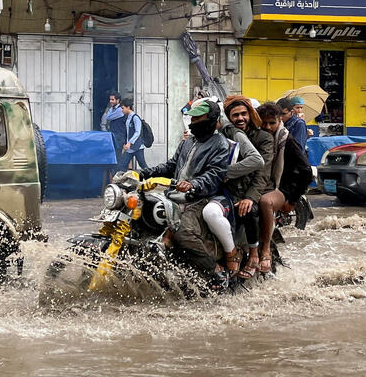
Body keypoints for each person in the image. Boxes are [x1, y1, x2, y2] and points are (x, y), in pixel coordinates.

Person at [136, 98, 232, 287]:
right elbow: (171, 166)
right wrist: (143, 173)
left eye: (198, 119)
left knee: (183, 234)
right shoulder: (188, 141)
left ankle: (215, 271)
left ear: (211, 120)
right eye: (192, 118)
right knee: (142, 218)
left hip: (199, 198)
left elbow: (214, 174)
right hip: (173, 195)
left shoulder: (220, 144)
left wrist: (193, 184)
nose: (193, 122)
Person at [215, 95, 274, 281]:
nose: (240, 118)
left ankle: (255, 254)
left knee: (249, 210)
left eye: (243, 114)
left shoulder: (263, 138)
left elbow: (262, 173)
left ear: (250, 114)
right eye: (235, 115)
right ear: (229, 118)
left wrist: (249, 197)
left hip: (255, 188)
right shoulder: (223, 136)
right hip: (230, 188)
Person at [255, 102, 291, 274]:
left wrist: (291, 199)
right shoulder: (253, 138)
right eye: (264, 123)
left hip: (277, 188)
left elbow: (304, 171)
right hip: (260, 185)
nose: (268, 127)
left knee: (264, 202)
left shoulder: (286, 140)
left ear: (279, 121)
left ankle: (265, 249)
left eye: (272, 123)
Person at [116, 97, 149, 172]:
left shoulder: (135, 118)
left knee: (142, 165)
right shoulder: (127, 118)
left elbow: (137, 132)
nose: (122, 110)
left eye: (123, 108)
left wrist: (130, 142)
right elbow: (127, 132)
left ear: (128, 107)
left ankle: (151, 177)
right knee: (122, 164)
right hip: (130, 148)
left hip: (138, 146)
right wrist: (126, 143)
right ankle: (123, 178)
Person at [101, 92, 127, 161]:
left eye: (112, 100)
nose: (110, 101)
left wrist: (110, 109)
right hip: (114, 134)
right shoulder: (113, 108)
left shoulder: (120, 109)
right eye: (110, 99)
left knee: (118, 155)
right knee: (114, 155)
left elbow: (108, 117)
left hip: (119, 136)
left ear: (118, 100)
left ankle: (119, 167)